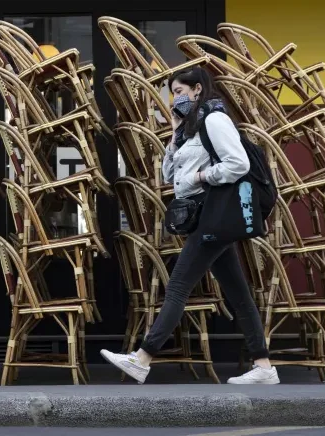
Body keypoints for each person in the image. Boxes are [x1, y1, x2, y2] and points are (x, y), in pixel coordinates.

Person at [100, 67, 279, 385]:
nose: (175, 98)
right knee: (238, 293)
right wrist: (174, 132)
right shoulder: (190, 129)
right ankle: (264, 366)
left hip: (214, 213)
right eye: (173, 93)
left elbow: (239, 163)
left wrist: (202, 176)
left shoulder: (214, 119)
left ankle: (142, 358)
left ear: (198, 90)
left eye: (180, 91)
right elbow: (169, 178)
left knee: (179, 286)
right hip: (204, 215)